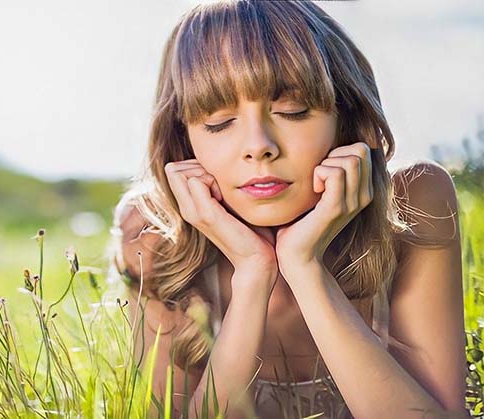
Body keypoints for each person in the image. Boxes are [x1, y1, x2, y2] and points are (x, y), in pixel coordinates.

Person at [105, 1, 468, 418]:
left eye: (292, 111)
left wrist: (305, 267)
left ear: (344, 115)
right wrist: (252, 274)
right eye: (220, 122)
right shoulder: (152, 233)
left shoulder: (415, 199)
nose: (258, 145)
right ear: (183, 138)